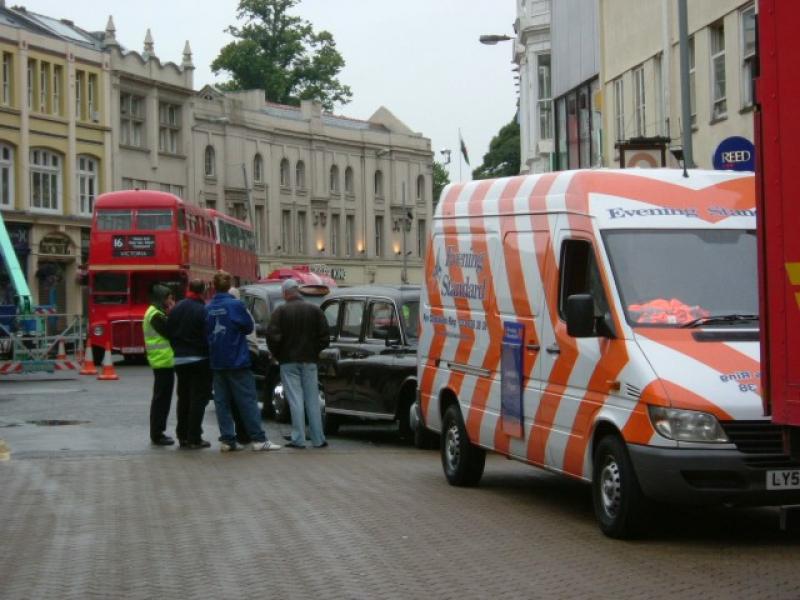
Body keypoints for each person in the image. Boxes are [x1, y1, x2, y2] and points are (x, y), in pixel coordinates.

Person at [205, 271, 281, 452]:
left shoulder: (208, 308)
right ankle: (258, 439)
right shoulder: (235, 305)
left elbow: (205, 332)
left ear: (215, 286)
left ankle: (227, 439)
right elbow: (248, 327)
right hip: (236, 359)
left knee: (222, 402)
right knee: (247, 400)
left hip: (217, 360)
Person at [266, 278, 330, 449]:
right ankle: (318, 438)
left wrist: (279, 354)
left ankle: (298, 438)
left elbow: (272, 337)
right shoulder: (314, 310)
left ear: (286, 293)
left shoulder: (280, 312)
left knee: (295, 400)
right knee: (312, 400)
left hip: (288, 362)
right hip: (309, 361)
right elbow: (325, 337)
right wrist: (314, 351)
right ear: (298, 291)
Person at [166, 279, 212, 449]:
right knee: (198, 399)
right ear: (203, 291)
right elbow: (208, 334)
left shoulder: (177, 308)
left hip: (179, 359)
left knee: (183, 398)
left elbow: (168, 329)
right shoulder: (203, 310)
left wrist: (177, 347)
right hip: (199, 358)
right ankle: (194, 437)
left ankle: (182, 435)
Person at [143, 284, 176, 446]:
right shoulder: (155, 314)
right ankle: (157, 433)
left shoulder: (154, 312)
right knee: (161, 400)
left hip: (163, 361)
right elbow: (170, 331)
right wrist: (172, 313)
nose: (171, 301)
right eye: (168, 298)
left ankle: (158, 431)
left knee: (162, 398)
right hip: (162, 361)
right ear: (161, 298)